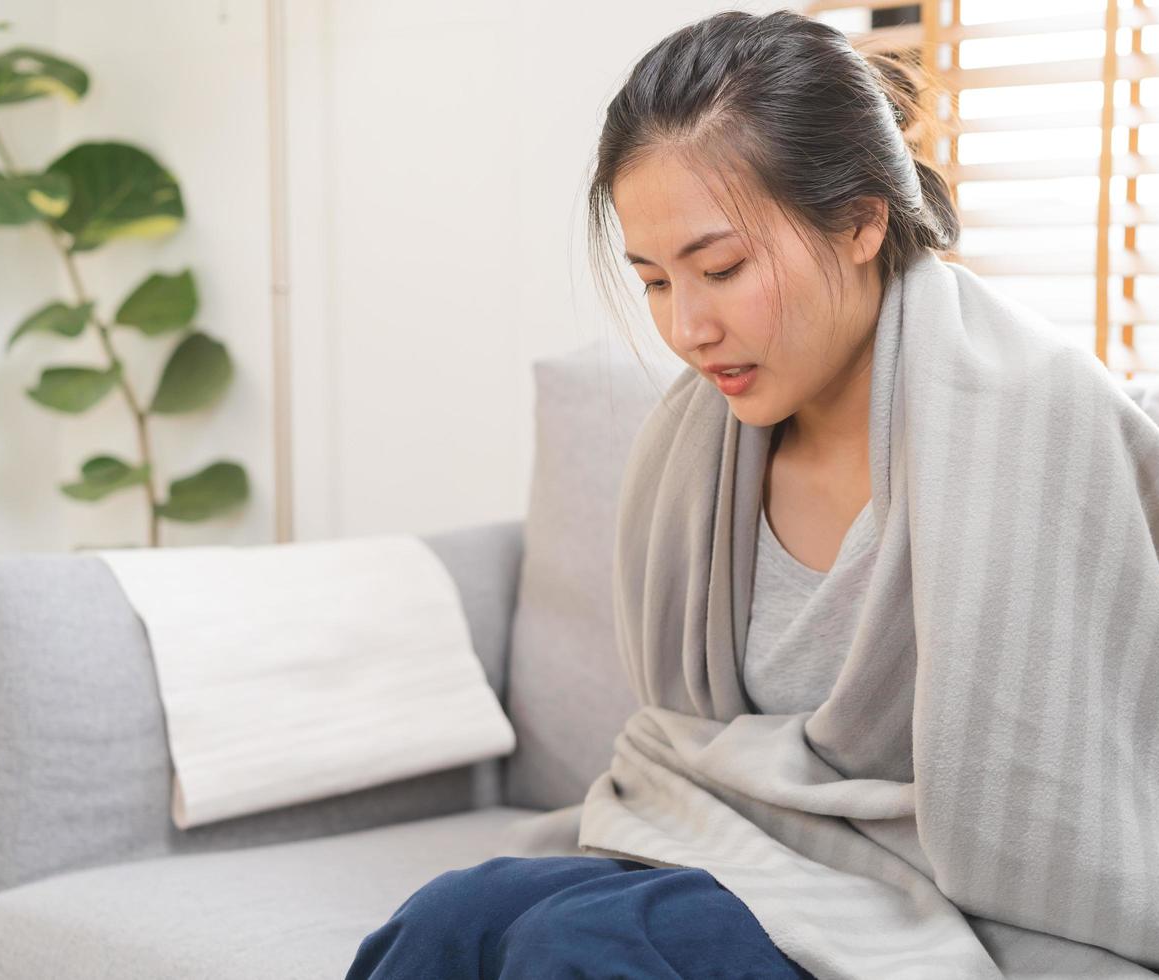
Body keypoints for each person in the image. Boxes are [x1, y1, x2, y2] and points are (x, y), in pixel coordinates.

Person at [346, 8, 958, 977]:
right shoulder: (700, 451)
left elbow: (1077, 802)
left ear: (861, 220)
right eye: (656, 283)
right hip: (752, 849)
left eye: (720, 269)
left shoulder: (1018, 435)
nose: (688, 328)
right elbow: (695, 754)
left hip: (935, 899)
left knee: (576, 946)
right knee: (447, 920)